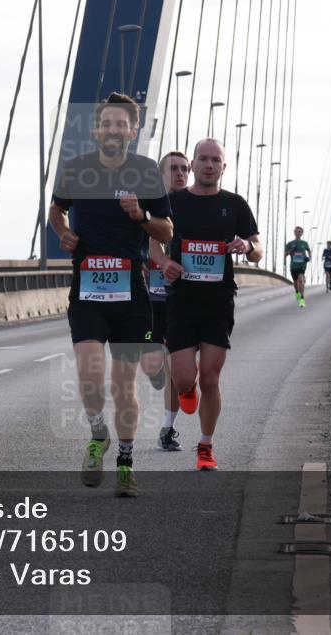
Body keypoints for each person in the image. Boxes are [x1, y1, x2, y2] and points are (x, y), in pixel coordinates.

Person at [49, 92, 174, 497]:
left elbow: (167, 231)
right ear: (96, 128)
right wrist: (63, 232)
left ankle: (125, 462)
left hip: (130, 293)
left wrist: (140, 216)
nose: (114, 130)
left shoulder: (145, 172)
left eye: (122, 124)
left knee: (124, 386)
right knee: (89, 376)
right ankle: (98, 434)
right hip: (86, 287)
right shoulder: (75, 169)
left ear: (133, 131)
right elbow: (55, 209)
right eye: (107, 123)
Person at [150, 138, 263, 471]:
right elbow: (154, 244)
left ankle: (205, 447)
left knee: (211, 380)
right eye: (203, 159)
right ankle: (187, 388)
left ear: (223, 167)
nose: (209, 165)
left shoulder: (235, 204)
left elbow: (257, 248)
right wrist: (163, 263)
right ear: (194, 165)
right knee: (184, 379)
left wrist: (247, 245)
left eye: (216, 160)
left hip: (218, 300)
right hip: (181, 300)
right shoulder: (171, 202)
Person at [141, 151, 190, 452]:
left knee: (178, 370)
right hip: (149, 301)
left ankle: (167, 429)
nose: (181, 173)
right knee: (152, 365)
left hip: (182, 303)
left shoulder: (196, 208)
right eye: (173, 169)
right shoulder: (145, 206)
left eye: (185, 169)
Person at [284, 227, 312, 308]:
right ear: (294, 233)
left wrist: (309, 257)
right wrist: (291, 250)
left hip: (302, 265)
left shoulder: (304, 243)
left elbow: (309, 251)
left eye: (300, 232)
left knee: (301, 280)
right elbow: (285, 255)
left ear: (302, 233)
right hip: (293, 266)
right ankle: (297, 292)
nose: (298, 233)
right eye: (296, 231)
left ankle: (302, 300)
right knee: (295, 282)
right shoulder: (290, 243)